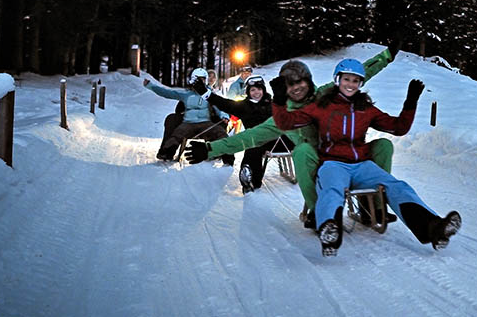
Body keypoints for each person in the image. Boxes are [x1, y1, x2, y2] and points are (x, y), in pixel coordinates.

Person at [270, 58, 461, 257]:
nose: (350, 84)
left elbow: (398, 128)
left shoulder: (365, 109)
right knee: (332, 189)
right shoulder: (321, 106)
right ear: (338, 79)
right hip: (333, 163)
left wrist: (410, 103)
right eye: (346, 79)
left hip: (362, 165)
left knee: (396, 185)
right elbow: (286, 123)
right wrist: (278, 100)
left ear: (360, 84)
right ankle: (329, 230)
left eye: (355, 81)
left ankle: (433, 227)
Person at [184, 47, 398, 223]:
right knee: (296, 150)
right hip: (316, 161)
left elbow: (358, 75)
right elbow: (245, 138)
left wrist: (386, 56)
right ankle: (317, 210)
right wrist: (211, 149)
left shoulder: (322, 94)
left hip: (344, 153)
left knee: (383, 146)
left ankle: (374, 208)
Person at [192, 74, 274, 192]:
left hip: (277, 140)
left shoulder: (272, 104)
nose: (257, 93)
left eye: (259, 89)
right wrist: (205, 93)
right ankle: (250, 179)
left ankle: (250, 174)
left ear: (264, 90)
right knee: (253, 147)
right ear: (248, 92)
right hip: (256, 141)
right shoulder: (244, 106)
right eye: (253, 90)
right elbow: (223, 103)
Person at [143, 68, 234, 165]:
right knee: (176, 135)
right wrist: (150, 86)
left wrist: (224, 116)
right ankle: (166, 153)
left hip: (206, 124)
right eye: (197, 80)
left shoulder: (209, 94)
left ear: (205, 80)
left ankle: (228, 160)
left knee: (221, 133)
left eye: (202, 79)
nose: (200, 82)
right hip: (188, 123)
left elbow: (219, 107)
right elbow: (167, 93)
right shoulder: (186, 94)